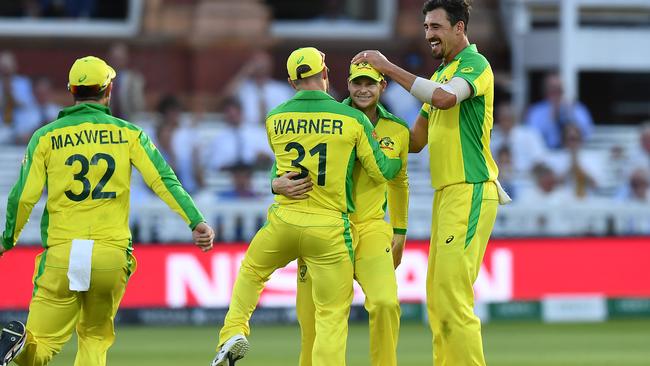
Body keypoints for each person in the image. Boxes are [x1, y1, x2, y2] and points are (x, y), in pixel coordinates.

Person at [0, 55, 215, 366]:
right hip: (110, 253)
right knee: (95, 338)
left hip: (62, 253)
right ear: (109, 89)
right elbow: (163, 180)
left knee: (40, 346)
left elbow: (22, 198)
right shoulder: (130, 134)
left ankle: (20, 345)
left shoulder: (45, 137)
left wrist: (8, 238)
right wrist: (195, 221)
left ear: (71, 90)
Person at [210, 47, 402, 366]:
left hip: (284, 221)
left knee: (252, 270)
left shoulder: (275, 118)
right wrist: (398, 158)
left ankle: (233, 329)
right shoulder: (352, 118)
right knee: (330, 316)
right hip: (329, 230)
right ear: (325, 74)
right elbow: (381, 171)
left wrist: (275, 184)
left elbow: (282, 170)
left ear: (291, 81)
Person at [352, 1, 509, 365]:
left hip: (470, 189)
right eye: (425, 27)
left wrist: (387, 67)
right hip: (447, 194)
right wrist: (369, 129)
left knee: (452, 295)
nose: (429, 35)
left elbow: (445, 99)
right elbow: (416, 141)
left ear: (459, 27)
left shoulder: (473, 65)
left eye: (436, 26)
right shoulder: (440, 74)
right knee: (438, 298)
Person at [273, 62, 409, 366]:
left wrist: (399, 231)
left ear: (382, 87)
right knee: (311, 320)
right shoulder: (329, 117)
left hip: (371, 228)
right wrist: (275, 183)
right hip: (325, 225)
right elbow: (285, 164)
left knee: (386, 303)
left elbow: (399, 182)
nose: (363, 90)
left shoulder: (397, 130)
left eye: (370, 84)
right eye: (357, 83)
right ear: (346, 85)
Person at [524, 72, 594, 149]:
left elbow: (588, 132)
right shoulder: (536, 111)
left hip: (570, 154)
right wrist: (550, 120)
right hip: (545, 154)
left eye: (559, 88)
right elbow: (532, 136)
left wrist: (571, 115)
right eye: (552, 88)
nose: (556, 91)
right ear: (545, 90)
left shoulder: (577, 108)